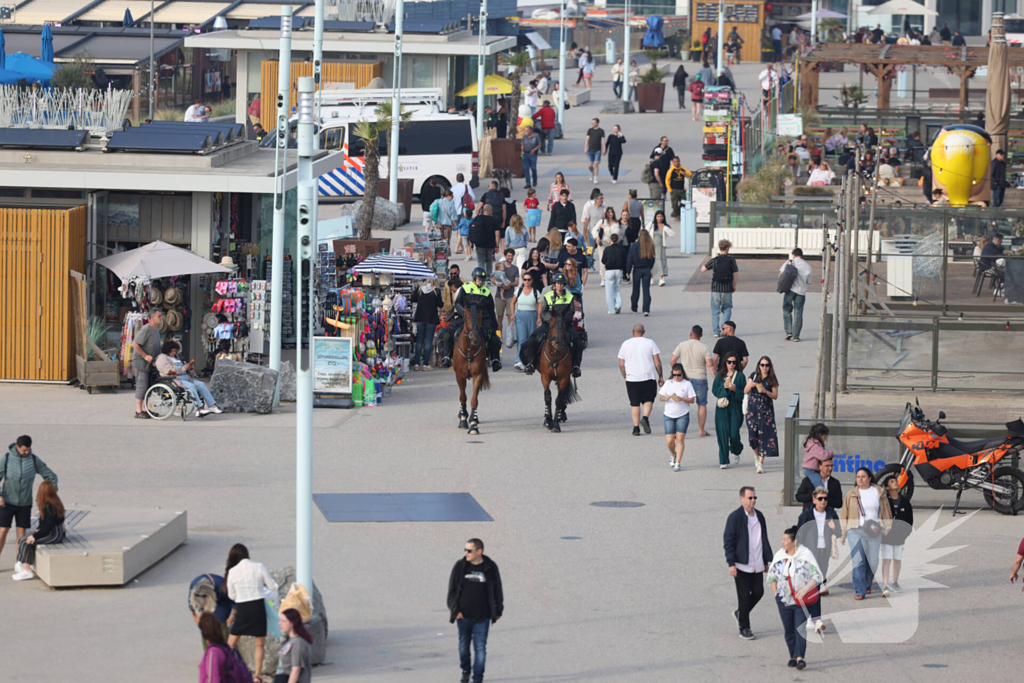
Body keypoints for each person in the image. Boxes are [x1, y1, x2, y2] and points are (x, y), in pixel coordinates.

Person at [767, 526, 824, 669]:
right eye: (782, 539)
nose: (782, 542)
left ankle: (800, 658)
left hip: (801, 601)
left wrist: (805, 589)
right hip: (784, 600)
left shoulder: (806, 555)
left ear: (794, 541)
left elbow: (817, 576)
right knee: (789, 630)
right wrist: (775, 593)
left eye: (785, 539)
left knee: (800, 629)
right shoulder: (780, 556)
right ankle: (793, 654)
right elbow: (772, 576)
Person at [448, 538, 503, 683]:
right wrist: (455, 610)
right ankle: (465, 670)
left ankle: (478, 679)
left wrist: (498, 610)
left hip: (482, 617)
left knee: (480, 649)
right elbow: (452, 591)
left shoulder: (490, 567)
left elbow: (497, 589)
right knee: (463, 649)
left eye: (469, 551)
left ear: (479, 551)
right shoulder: (460, 566)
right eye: (465, 550)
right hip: (463, 616)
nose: (466, 553)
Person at [1, 435, 58, 573]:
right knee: (3, 531)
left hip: (25, 504)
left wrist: (50, 493)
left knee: (21, 534)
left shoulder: (33, 459)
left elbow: (51, 476)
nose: (27, 452)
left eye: (29, 449)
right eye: (24, 450)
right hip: (6, 503)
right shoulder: (6, 458)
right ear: (17, 447)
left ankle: (19, 562)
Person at [724, 486, 773, 640]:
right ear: (742, 499)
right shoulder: (735, 517)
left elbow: (763, 539)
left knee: (758, 592)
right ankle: (744, 627)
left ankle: (740, 613)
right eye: (750, 498)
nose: (753, 501)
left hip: (757, 563)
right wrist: (731, 563)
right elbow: (728, 541)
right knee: (744, 597)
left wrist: (766, 560)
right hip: (741, 564)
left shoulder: (759, 516)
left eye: (754, 498)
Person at [224, 543, 279, 680]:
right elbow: (272, 586)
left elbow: (231, 595)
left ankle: (225, 671)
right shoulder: (258, 566)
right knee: (259, 644)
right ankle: (258, 676)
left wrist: (242, 595)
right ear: (247, 554)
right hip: (258, 608)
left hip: (243, 608)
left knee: (231, 644)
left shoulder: (232, 572)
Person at [841, 468, 893, 600]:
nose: (860, 479)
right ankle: (859, 590)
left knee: (873, 562)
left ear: (870, 478)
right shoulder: (851, 494)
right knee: (858, 561)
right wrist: (843, 534)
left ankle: (867, 583)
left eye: (863, 476)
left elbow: (886, 512)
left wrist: (887, 528)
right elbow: (844, 515)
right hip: (855, 530)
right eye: (858, 476)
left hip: (875, 530)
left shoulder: (879, 492)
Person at [440, 268, 503, 372]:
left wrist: (494, 325)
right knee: (449, 333)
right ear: (474, 278)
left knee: (494, 339)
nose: (481, 281)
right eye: (479, 279)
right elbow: (458, 303)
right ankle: (447, 357)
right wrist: (464, 314)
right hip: (465, 317)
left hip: (481, 319)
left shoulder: (486, 291)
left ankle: (495, 360)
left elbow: (491, 309)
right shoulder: (465, 288)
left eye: (483, 279)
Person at [522, 273, 584, 377]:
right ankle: (530, 364)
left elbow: (571, 311)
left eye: (561, 284)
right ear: (554, 285)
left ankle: (576, 366)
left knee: (578, 341)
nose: (559, 285)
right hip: (550, 324)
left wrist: (563, 320)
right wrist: (552, 320)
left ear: (564, 285)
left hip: (565, 324)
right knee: (532, 339)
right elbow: (545, 312)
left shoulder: (569, 296)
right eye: (557, 283)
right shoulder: (548, 296)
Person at [10, 479, 63, 582]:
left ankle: (26, 570)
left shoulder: (49, 506)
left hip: (53, 535)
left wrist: (35, 536)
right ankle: (21, 564)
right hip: (54, 532)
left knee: (26, 542)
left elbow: (47, 527)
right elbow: (51, 522)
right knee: (23, 539)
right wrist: (39, 530)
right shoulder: (54, 502)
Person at [154, 340, 224, 416]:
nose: (174, 353)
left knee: (202, 385)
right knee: (191, 386)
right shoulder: (162, 358)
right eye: (172, 351)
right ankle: (199, 409)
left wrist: (189, 368)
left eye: (175, 351)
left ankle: (212, 406)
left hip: (186, 378)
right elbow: (169, 371)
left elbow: (184, 368)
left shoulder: (177, 357)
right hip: (175, 380)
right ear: (167, 350)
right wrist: (183, 369)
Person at [669, 325, 716, 437]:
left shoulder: (682, 345)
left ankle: (678, 431)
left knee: (680, 402)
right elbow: (710, 364)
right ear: (701, 335)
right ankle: (701, 430)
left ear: (691, 334)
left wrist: (676, 374)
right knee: (702, 404)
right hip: (700, 378)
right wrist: (716, 379)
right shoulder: (705, 347)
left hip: (684, 379)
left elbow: (673, 360)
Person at [618, 324, 663, 436]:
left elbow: (621, 364)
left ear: (633, 331)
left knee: (634, 404)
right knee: (648, 400)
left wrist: (625, 376)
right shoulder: (650, 343)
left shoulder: (625, 344)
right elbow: (657, 362)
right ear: (644, 332)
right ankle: (645, 418)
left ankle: (636, 428)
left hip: (632, 378)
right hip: (648, 377)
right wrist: (660, 376)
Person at [797, 487, 840, 600]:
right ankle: (813, 587)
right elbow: (800, 532)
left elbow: (839, 532)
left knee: (823, 566)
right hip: (810, 546)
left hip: (825, 546)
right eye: (820, 498)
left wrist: (835, 528)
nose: (823, 501)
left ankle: (822, 584)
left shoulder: (831, 513)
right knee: (812, 568)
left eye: (825, 498)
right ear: (814, 500)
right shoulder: (807, 514)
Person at [744, 356, 779, 474]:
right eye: (762, 365)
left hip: (766, 410)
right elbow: (745, 390)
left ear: (770, 367)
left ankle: (760, 463)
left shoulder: (772, 379)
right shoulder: (753, 376)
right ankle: (756, 455)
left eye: (767, 365)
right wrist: (752, 385)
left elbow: (775, 396)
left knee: (764, 437)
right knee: (752, 437)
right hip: (753, 410)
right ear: (759, 365)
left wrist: (765, 391)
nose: (764, 367)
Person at [879, 476, 913, 596]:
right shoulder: (884, 502)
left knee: (897, 559)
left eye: (896, 481)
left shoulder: (905, 502)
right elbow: (880, 517)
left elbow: (910, 521)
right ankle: (885, 584)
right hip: (886, 536)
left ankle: (895, 581)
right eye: (892, 481)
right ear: (887, 487)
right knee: (887, 559)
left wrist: (905, 534)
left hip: (900, 537)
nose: (896, 483)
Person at [659, 364, 696, 471]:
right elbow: (660, 397)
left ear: (682, 374)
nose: (676, 377)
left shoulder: (687, 384)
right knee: (670, 441)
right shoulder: (668, 383)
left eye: (678, 375)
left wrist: (683, 399)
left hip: (682, 415)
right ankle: (673, 454)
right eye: (674, 375)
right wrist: (664, 398)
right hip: (669, 415)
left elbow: (692, 400)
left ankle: (678, 463)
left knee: (680, 439)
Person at [712, 352, 746, 469]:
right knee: (722, 434)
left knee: (733, 434)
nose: (731, 364)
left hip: (735, 408)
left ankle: (736, 450)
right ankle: (723, 460)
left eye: (734, 362)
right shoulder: (720, 375)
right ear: (725, 363)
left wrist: (735, 389)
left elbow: (744, 394)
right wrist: (724, 388)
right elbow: (715, 391)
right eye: (729, 362)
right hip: (722, 408)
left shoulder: (740, 376)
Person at [131, 308, 164, 418]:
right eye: (159, 316)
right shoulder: (146, 329)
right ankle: (138, 410)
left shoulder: (156, 330)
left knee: (148, 386)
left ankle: (145, 409)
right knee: (142, 386)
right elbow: (135, 344)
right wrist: (145, 356)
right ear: (152, 317)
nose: (161, 318)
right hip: (142, 363)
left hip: (151, 364)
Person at [702, 240, 738, 337]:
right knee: (727, 308)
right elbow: (735, 273)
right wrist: (734, 285)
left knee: (715, 310)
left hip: (716, 288)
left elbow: (703, 269)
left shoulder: (715, 260)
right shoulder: (731, 260)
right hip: (727, 288)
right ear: (727, 248)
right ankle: (724, 327)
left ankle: (716, 332)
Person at [780, 248, 814, 342]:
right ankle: (796, 336)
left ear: (793, 254)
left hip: (790, 290)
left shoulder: (789, 262)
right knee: (798, 313)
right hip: (801, 292)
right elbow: (809, 281)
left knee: (786, 310)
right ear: (801, 255)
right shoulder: (807, 266)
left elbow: (781, 274)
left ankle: (788, 331)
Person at [511, 269, 541, 370]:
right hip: (520, 315)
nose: (527, 281)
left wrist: (539, 317)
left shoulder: (536, 292)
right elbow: (512, 302)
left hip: (532, 315)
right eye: (525, 279)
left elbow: (539, 304)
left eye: (528, 279)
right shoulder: (518, 291)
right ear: (522, 280)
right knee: (521, 339)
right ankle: (519, 360)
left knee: (531, 339)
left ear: (531, 280)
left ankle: (530, 361)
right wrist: (512, 314)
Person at [274, 608, 314, 683]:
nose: (279, 623)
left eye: (283, 621)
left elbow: (296, 669)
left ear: (292, 623)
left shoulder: (298, 643)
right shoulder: (289, 641)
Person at [411, 280, 442, 371]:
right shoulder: (436, 291)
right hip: (431, 319)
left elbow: (412, 299)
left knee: (419, 341)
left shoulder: (419, 289)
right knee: (429, 342)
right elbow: (440, 303)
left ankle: (416, 364)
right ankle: (425, 364)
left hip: (420, 318)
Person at [626, 229, 656, 316]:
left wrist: (628, 270)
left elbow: (630, 259)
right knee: (646, 290)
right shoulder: (650, 245)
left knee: (635, 290)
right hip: (647, 269)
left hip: (637, 269)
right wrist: (650, 269)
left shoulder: (634, 246)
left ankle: (634, 308)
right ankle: (646, 309)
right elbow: (653, 259)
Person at [492, 249, 520, 339]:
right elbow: (493, 279)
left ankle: (510, 336)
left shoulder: (515, 268)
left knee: (510, 317)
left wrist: (509, 285)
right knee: (499, 317)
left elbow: (516, 282)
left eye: (512, 256)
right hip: (499, 297)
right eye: (509, 255)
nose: (510, 257)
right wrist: (498, 284)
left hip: (510, 296)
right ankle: (499, 337)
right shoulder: (500, 266)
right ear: (505, 256)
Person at [470, 205, 503, 277]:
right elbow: (497, 234)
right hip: (490, 245)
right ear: (489, 210)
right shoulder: (494, 220)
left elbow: (473, 231)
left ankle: (481, 276)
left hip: (479, 244)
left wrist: (471, 242)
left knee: (480, 261)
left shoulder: (477, 219)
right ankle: (488, 277)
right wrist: (497, 245)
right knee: (489, 261)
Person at [645, 210, 673, 287]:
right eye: (658, 216)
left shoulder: (664, 226)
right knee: (651, 262)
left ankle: (661, 279)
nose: (659, 218)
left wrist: (665, 228)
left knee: (660, 261)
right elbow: (645, 232)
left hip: (661, 246)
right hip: (651, 246)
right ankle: (651, 277)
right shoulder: (652, 224)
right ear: (655, 217)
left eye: (661, 216)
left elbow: (672, 234)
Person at [593, 206, 621, 285]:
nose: (610, 214)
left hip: (611, 244)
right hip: (603, 243)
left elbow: (613, 234)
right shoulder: (602, 221)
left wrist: (606, 228)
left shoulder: (616, 223)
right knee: (603, 261)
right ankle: (603, 278)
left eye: (611, 212)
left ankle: (611, 277)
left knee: (612, 260)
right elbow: (594, 230)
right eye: (608, 212)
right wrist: (597, 237)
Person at [601, 232, 628, 315]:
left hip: (609, 270)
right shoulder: (622, 249)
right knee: (617, 289)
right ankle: (618, 305)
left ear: (610, 240)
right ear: (618, 240)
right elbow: (625, 260)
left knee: (609, 291)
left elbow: (603, 260)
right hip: (619, 270)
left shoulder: (607, 249)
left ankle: (611, 309)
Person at [801, 423, 834, 489]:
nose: (825, 438)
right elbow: (823, 456)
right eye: (825, 436)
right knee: (820, 486)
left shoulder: (813, 443)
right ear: (820, 435)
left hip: (811, 469)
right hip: (810, 469)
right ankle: (822, 496)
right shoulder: (815, 445)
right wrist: (830, 452)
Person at [584, 118, 605, 185]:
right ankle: (592, 172)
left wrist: (604, 149)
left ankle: (595, 178)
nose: (593, 124)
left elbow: (603, 140)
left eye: (594, 123)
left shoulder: (601, 131)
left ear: (597, 123)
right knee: (590, 165)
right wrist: (585, 148)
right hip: (590, 150)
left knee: (596, 164)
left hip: (597, 150)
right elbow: (587, 139)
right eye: (592, 123)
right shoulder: (590, 130)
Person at [521, 126, 541, 190]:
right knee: (526, 169)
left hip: (533, 154)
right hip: (526, 153)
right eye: (525, 130)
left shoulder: (536, 136)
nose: (526, 131)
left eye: (527, 130)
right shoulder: (524, 136)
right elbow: (522, 144)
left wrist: (535, 149)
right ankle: (528, 183)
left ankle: (534, 180)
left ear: (531, 130)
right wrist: (522, 151)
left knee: (533, 168)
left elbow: (539, 144)